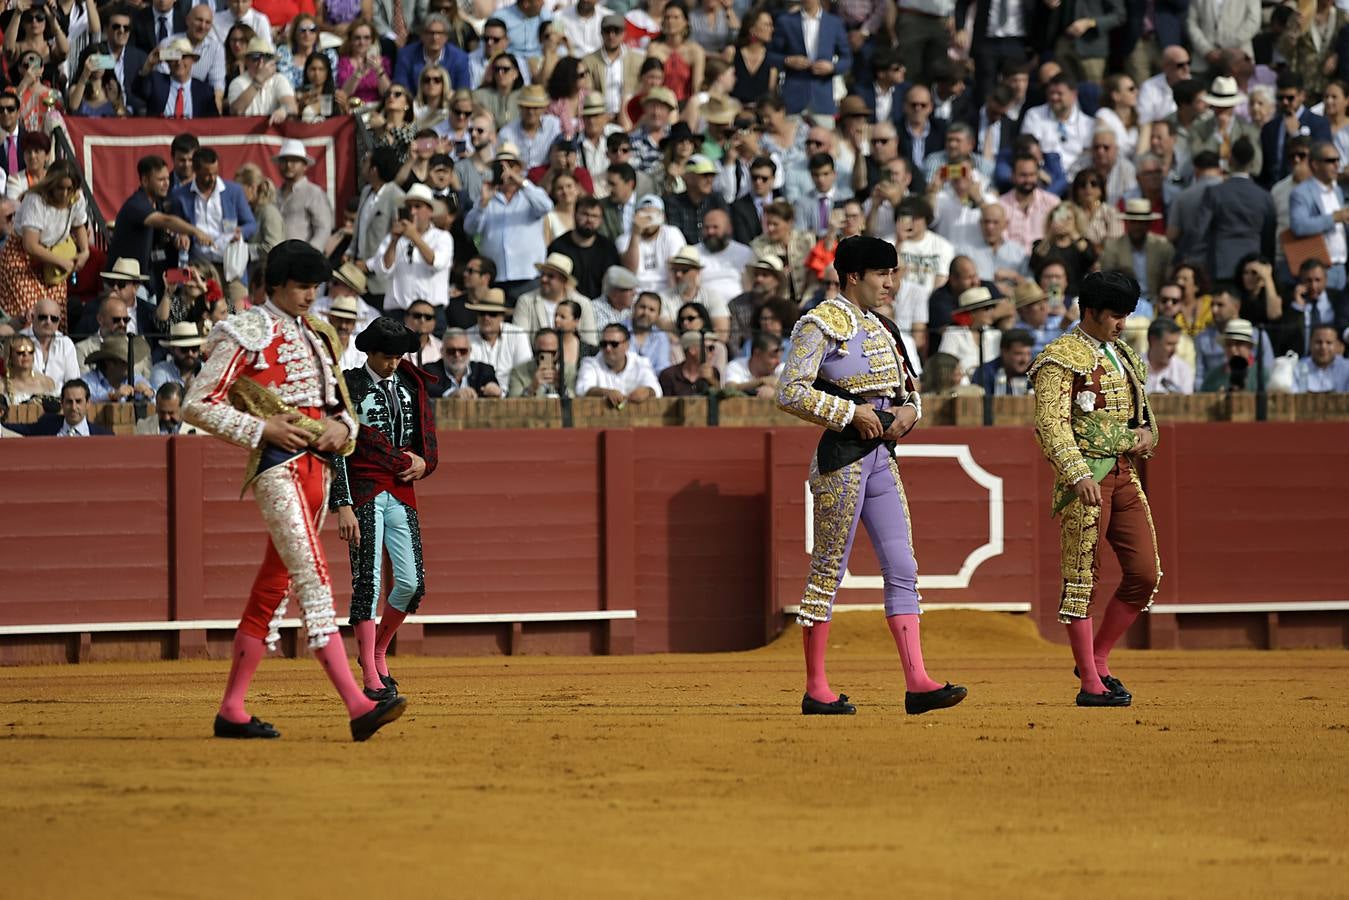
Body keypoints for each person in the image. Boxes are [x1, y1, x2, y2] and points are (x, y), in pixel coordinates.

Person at [182, 240, 406, 741]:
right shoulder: (244, 331)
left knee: (273, 589)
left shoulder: (323, 335)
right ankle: (357, 703)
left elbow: (341, 409)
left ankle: (233, 710)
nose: (310, 295)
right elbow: (196, 404)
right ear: (275, 285)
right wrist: (261, 430)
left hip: (318, 473)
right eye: (302, 286)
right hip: (278, 467)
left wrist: (341, 431)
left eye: (314, 287)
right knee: (313, 575)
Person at [775, 234, 964, 716]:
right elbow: (790, 391)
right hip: (842, 457)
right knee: (828, 571)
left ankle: (918, 681)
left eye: (893, 274)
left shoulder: (884, 327)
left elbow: (909, 389)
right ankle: (816, 687)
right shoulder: (820, 323)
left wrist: (909, 413)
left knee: (903, 566)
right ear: (854, 276)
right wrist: (847, 413)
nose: (891, 283)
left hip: (881, 456)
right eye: (882, 274)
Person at [1029, 271, 1160, 708]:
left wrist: (1147, 436)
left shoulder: (1124, 355)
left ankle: (1098, 658)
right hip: (1087, 476)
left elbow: (1143, 416)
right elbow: (1051, 423)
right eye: (1115, 316)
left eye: (1126, 316)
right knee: (1081, 577)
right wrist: (1076, 473)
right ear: (1090, 312)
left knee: (1144, 574)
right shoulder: (1060, 357)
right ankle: (1089, 681)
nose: (1122, 324)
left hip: (1124, 473)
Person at [331, 316, 438, 700]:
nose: (394, 363)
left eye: (398, 356)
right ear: (370, 353)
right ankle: (372, 677)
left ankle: (377, 649)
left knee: (412, 584)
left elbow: (425, 442)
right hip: (361, 491)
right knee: (368, 582)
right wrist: (341, 502)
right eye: (387, 357)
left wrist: (427, 464)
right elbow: (337, 448)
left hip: (401, 490)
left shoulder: (410, 386)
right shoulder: (349, 385)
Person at [0, 160, 89, 329]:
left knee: (54, 314)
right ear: (51, 184)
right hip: (22, 260)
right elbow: (30, 245)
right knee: (29, 316)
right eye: (60, 188)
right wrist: (62, 262)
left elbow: (79, 225)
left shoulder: (76, 199)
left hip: (52, 259)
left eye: (69, 188)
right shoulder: (35, 200)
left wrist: (84, 252)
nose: (64, 194)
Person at [369, 183, 453, 315]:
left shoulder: (442, 237)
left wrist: (415, 237)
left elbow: (436, 263)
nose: (412, 211)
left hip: (430, 313)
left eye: (417, 207)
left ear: (430, 211)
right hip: (398, 312)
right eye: (409, 207)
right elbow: (382, 270)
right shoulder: (392, 238)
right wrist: (394, 241)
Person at [1289, 140, 1349, 290]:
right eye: (1330, 161)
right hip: (1318, 272)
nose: (1337, 165)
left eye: (1338, 160)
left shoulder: (1338, 191)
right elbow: (1299, 226)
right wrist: (1333, 218)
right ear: (1315, 165)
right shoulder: (1301, 193)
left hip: (1341, 268)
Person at [577, 322, 661, 406]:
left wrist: (647, 391)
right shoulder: (590, 363)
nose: (608, 348)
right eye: (604, 344)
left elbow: (656, 389)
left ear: (626, 345)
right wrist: (606, 393)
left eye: (614, 344)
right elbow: (582, 389)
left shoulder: (641, 363)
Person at [274, 139, 334, 251]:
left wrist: (309, 254)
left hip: (301, 260)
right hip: (277, 259)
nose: (288, 165)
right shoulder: (275, 193)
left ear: (305, 166)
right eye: (284, 161)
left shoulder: (313, 192)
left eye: (294, 161)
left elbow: (323, 228)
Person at [9, 378, 112, 436]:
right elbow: (24, 429)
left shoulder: (103, 435)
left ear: (88, 403)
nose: (73, 407)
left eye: (78, 401)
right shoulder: (47, 424)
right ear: (62, 403)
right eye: (69, 402)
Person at [1200, 317, 1267, 392]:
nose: (1233, 349)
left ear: (1249, 346)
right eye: (1229, 344)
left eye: (1238, 343)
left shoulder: (1263, 375)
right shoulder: (1212, 377)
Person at [970, 328, 1034, 395]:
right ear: (1004, 352)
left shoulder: (1032, 374)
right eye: (1018, 354)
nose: (1025, 360)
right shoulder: (985, 372)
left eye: (1028, 354)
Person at [657, 328, 719, 396]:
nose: (713, 353)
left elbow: (721, 401)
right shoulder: (669, 375)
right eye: (710, 348)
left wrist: (712, 380)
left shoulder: (714, 372)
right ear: (692, 350)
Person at [1293, 324, 1349, 392]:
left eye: (1329, 343)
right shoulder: (1297, 369)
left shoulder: (1347, 368)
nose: (1323, 347)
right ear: (1310, 344)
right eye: (1318, 342)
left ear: (1337, 346)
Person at [1144, 316, 1193, 394]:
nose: (1174, 350)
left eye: (1175, 344)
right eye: (1169, 344)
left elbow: (1186, 403)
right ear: (1153, 340)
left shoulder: (1182, 370)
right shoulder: (1133, 367)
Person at [149, 322, 204, 391]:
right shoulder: (161, 371)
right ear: (172, 349)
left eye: (194, 348)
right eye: (184, 349)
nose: (190, 353)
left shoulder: (206, 370)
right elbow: (158, 400)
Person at [2, 333, 54, 405]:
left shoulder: (47, 383)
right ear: (10, 356)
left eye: (30, 351)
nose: (26, 355)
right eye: (20, 352)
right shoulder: (1, 385)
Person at [135, 381, 200, 435]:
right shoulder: (144, 427)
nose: (166, 418)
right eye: (162, 412)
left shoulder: (198, 430)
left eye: (171, 413)